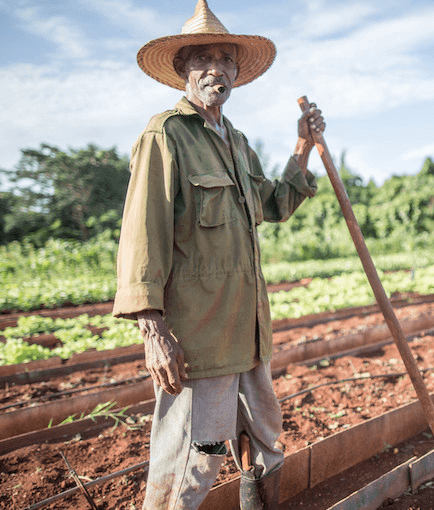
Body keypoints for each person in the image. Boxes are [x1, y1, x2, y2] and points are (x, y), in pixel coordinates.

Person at [112, 1, 325, 508]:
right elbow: (143, 234)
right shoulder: (166, 135)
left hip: (248, 333)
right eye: (203, 59)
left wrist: (301, 147)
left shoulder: (237, 141)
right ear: (183, 69)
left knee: (267, 446)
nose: (216, 70)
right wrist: (154, 329)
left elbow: (272, 204)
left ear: (236, 71)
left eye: (225, 60)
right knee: (193, 459)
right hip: (200, 341)